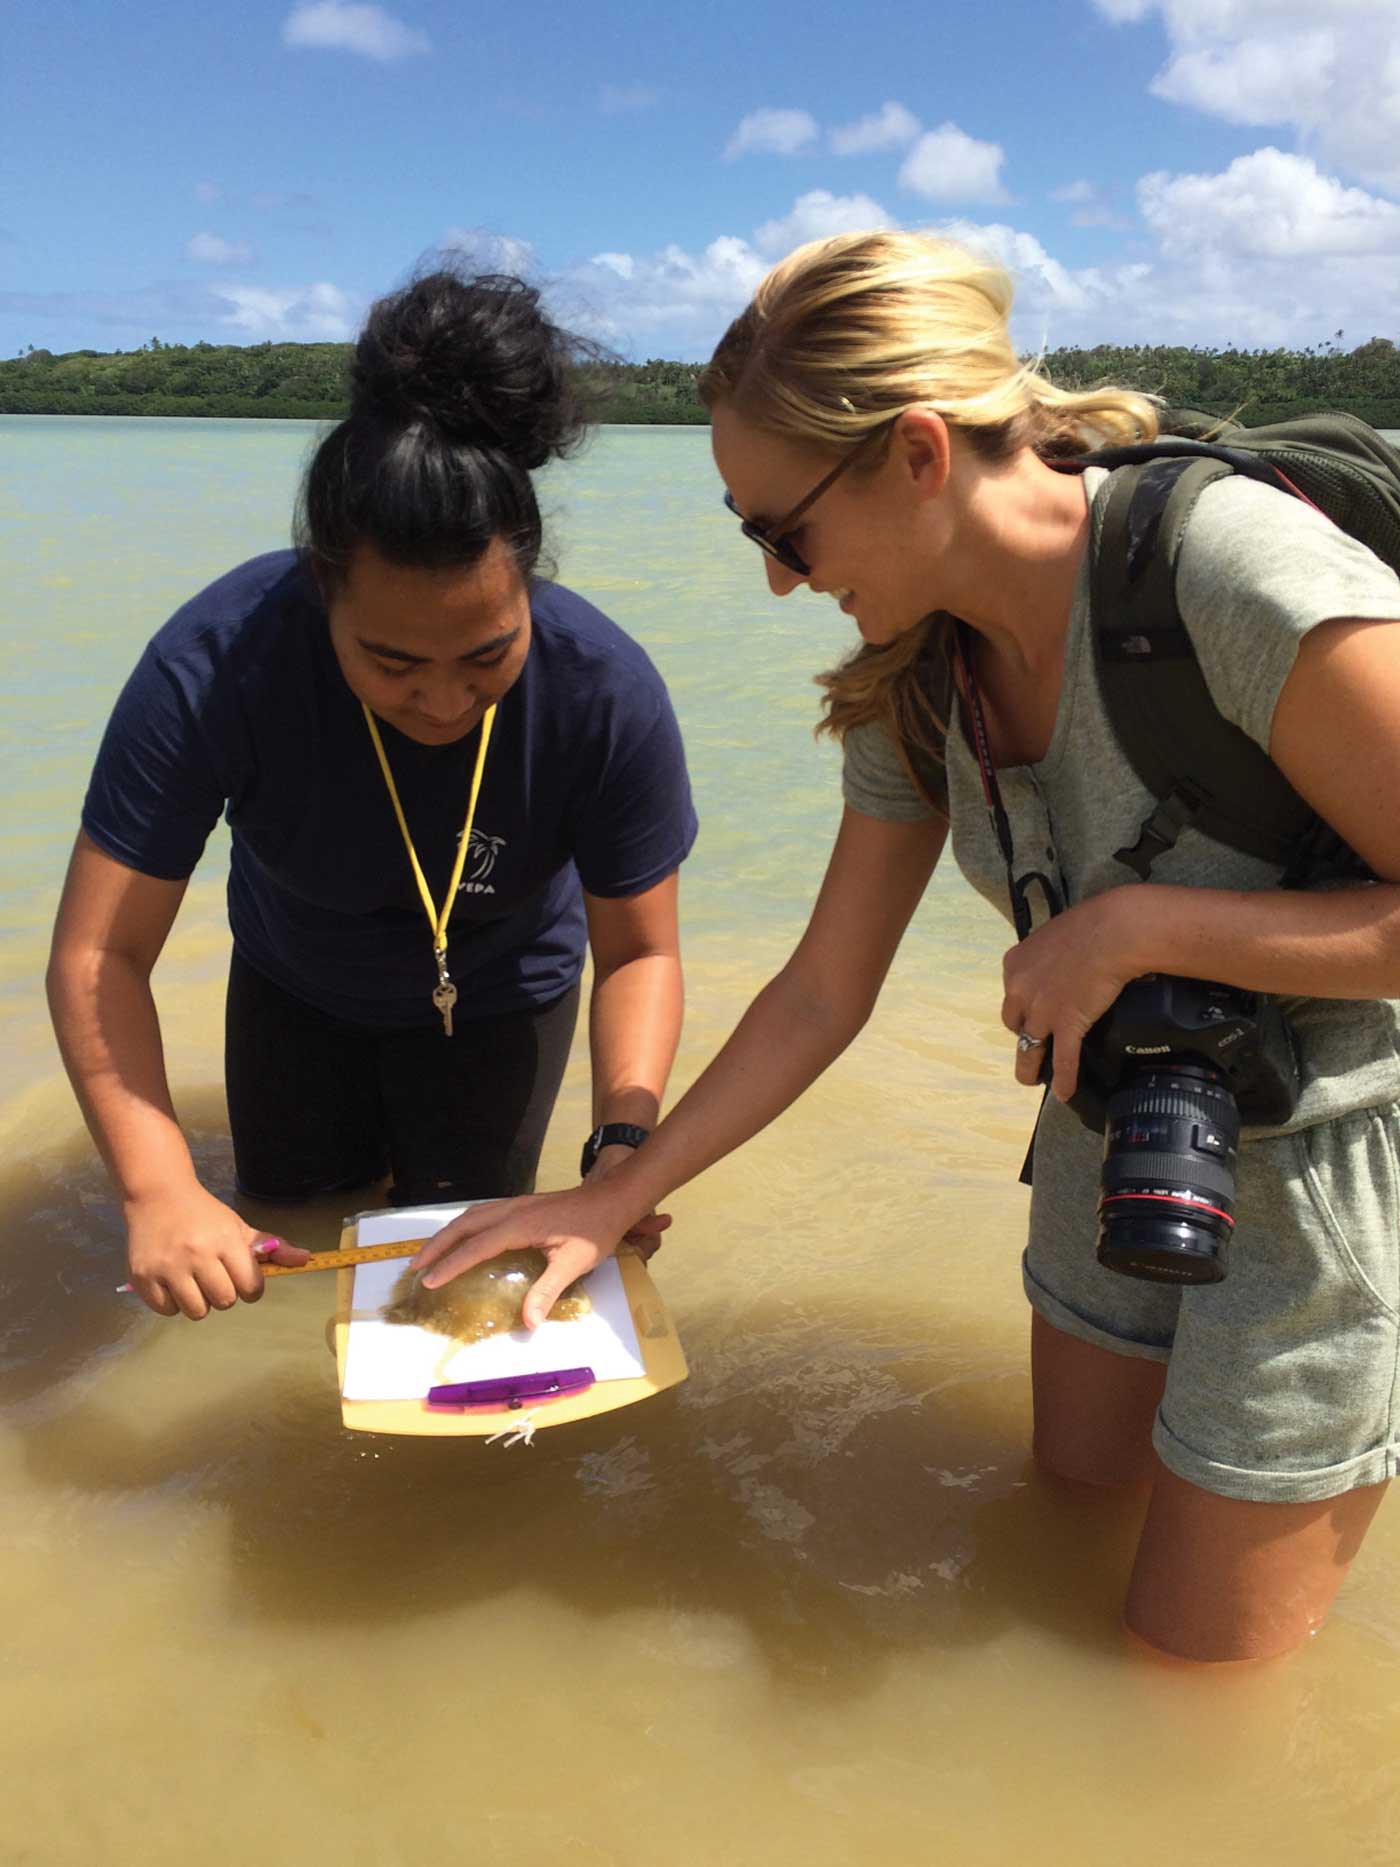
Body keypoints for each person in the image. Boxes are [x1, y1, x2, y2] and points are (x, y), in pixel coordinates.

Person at [411, 231, 1400, 1665]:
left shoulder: (1229, 577)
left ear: (921, 453)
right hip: (1109, 1128)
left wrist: (1140, 923)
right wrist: (617, 1192)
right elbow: (824, 986)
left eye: (783, 531)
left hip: (1314, 1176)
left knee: (1189, 1681)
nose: (773, 579)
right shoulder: (917, 672)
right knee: (1058, 1526)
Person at [47, 268, 696, 1325]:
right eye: (392, 662)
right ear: (319, 592)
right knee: (286, 1229)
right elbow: (97, 953)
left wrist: (621, 1150)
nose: (443, 700)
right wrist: (157, 1184)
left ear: (528, 583)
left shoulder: (602, 693)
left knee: (462, 1270)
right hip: (293, 988)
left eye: (486, 655)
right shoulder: (216, 664)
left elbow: (641, 952)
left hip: (500, 998)